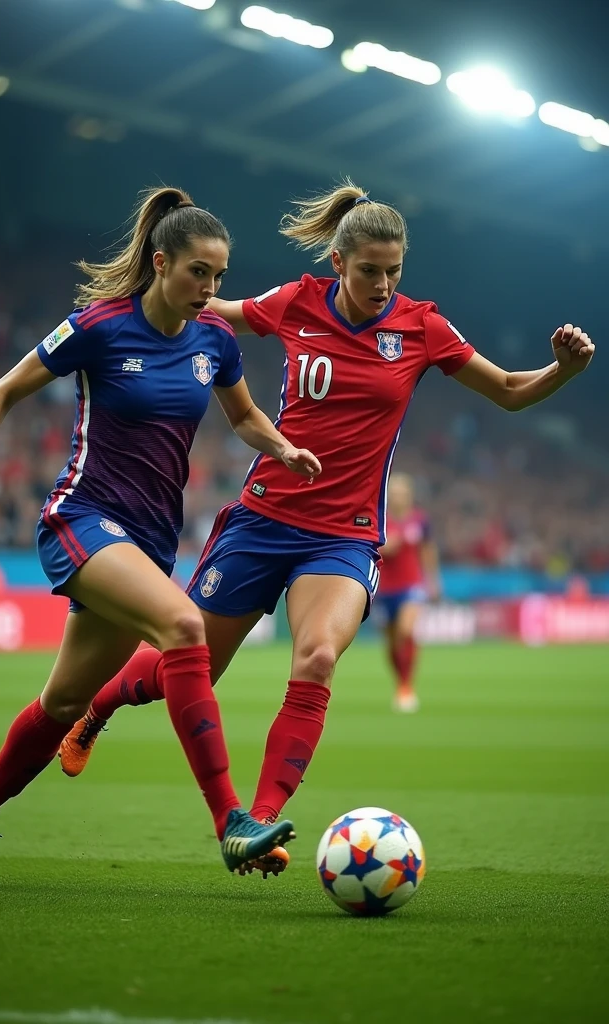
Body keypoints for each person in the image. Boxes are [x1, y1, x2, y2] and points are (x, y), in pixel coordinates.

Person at [57, 179, 595, 876]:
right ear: (337, 264)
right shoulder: (294, 303)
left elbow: (512, 392)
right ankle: (94, 712)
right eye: (368, 270)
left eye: (393, 271)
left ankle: (257, 825)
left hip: (343, 536)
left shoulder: (423, 327)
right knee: (184, 669)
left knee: (315, 659)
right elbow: (208, 308)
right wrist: (141, 302)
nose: (382, 284)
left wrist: (564, 368)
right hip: (260, 521)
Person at [0, 185, 323, 889]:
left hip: (147, 539)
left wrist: (283, 448)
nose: (210, 288)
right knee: (181, 624)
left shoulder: (216, 341)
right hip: (80, 520)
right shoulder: (100, 326)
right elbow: (1, 393)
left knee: (64, 704)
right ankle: (231, 821)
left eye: (220, 276)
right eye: (199, 271)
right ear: (162, 262)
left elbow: (245, 417)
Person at [374, 472, 440, 713]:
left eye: (402, 493)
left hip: (412, 585)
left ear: (409, 495)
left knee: (406, 630)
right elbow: (369, 546)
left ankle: (406, 686)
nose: (398, 497)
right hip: (384, 588)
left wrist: (432, 581)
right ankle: (400, 682)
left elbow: (428, 551)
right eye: (394, 493)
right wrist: (384, 547)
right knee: (392, 642)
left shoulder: (420, 520)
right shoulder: (380, 519)